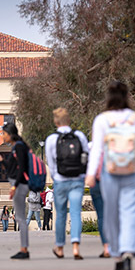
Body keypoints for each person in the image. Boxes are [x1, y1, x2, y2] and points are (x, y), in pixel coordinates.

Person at [85, 81, 135, 270]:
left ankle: (117, 256)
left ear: (108, 97)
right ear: (127, 97)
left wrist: (90, 174)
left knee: (111, 215)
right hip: (134, 173)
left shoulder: (102, 120)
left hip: (110, 173)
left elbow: (97, 151)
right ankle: (127, 253)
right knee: (131, 214)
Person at [45, 107, 89, 260]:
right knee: (76, 213)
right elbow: (85, 157)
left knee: (61, 215)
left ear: (56, 121)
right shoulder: (80, 136)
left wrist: (56, 177)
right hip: (77, 179)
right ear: (69, 120)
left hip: (60, 181)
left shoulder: (51, 139)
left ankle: (60, 248)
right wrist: (82, 175)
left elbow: (51, 164)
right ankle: (76, 247)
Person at [0, 123, 30, 260]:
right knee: (20, 217)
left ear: (10, 134)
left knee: (20, 217)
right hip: (18, 184)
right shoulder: (17, 147)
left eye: (3, 133)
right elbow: (11, 167)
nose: (2, 136)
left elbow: (21, 168)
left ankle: (24, 249)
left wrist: (14, 186)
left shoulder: (19, 147)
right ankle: (23, 248)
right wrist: (1, 159)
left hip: (20, 185)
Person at [88, 142, 110, 258]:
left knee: (101, 216)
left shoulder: (91, 146)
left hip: (96, 181)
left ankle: (106, 247)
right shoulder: (115, 143)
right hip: (113, 181)